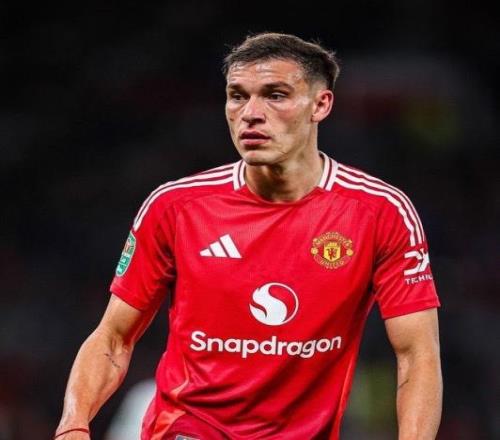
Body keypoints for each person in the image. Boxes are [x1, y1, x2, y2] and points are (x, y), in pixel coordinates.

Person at [55, 32, 442, 439]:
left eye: (275, 95)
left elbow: (417, 357)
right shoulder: (176, 207)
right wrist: (72, 426)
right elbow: (113, 338)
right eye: (237, 96)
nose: (251, 113)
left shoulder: (380, 213)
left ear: (321, 105)